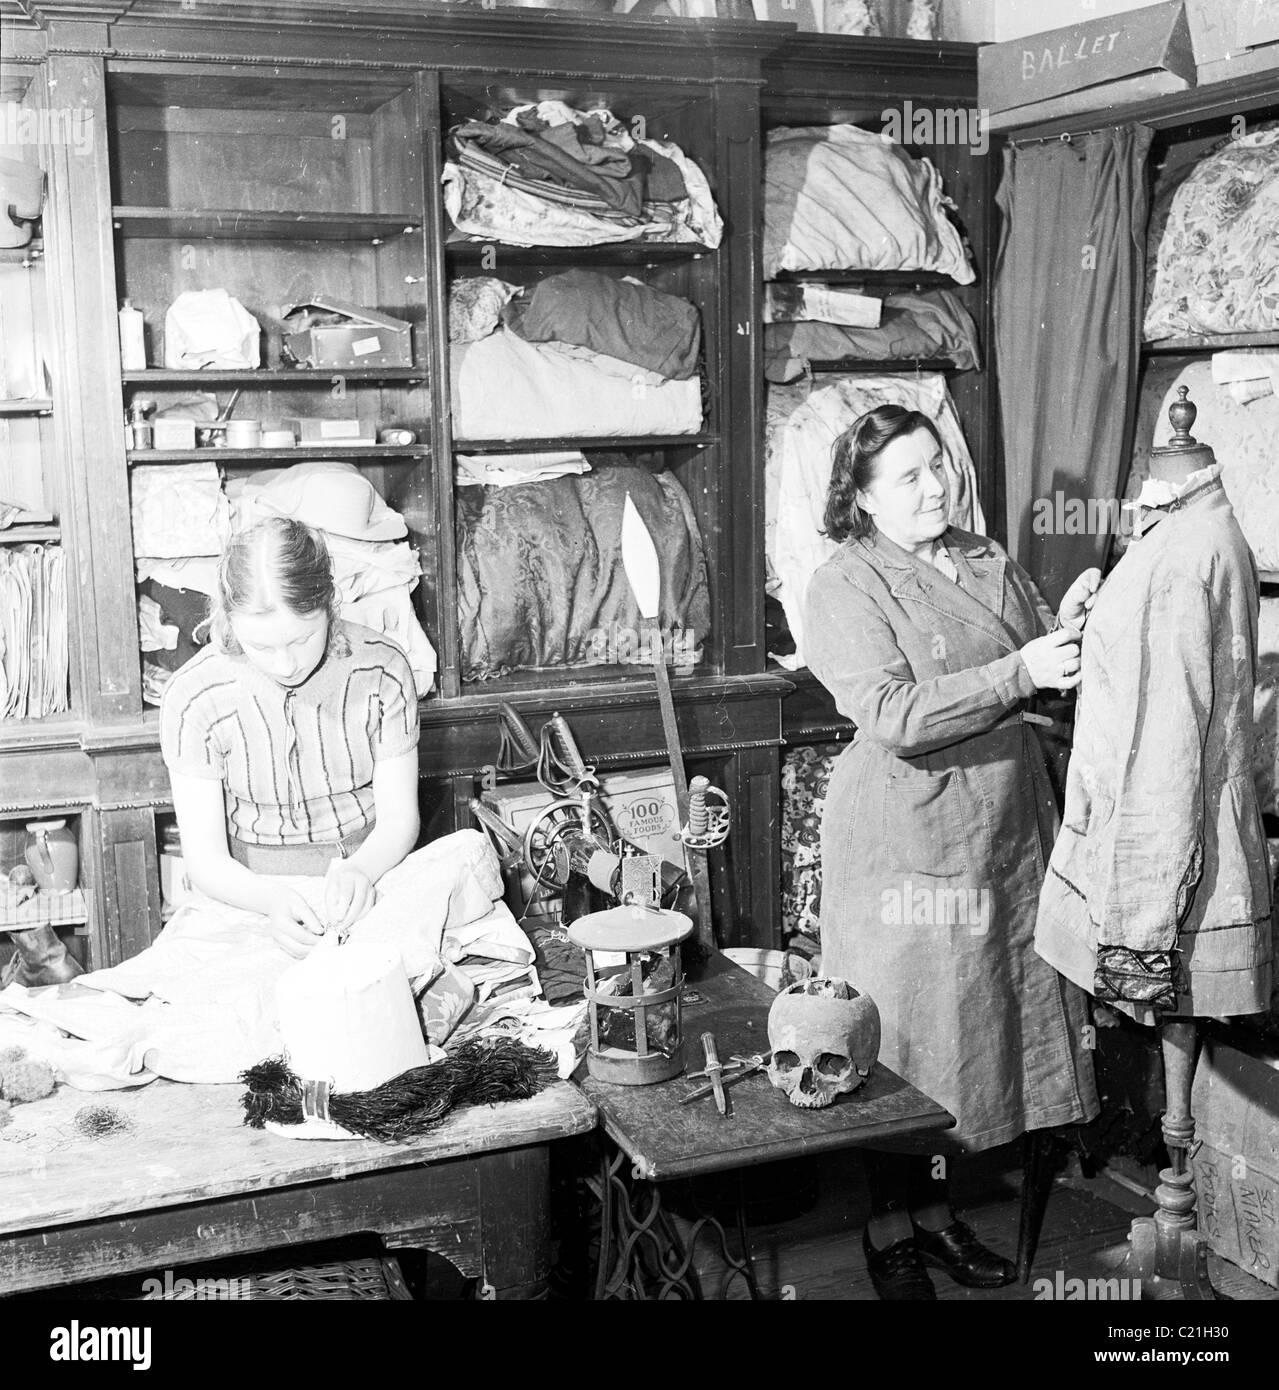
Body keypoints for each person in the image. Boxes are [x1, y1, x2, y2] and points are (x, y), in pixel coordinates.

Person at [803, 404, 1102, 1301]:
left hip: (1002, 831)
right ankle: (889, 1232)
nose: (934, 486)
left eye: (938, 465)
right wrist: (1022, 672)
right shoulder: (844, 585)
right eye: (907, 476)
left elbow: (1039, 659)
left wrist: (1073, 628)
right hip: (908, 838)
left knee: (981, 1036)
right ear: (859, 498)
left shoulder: (982, 556)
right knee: (907, 1043)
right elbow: (893, 716)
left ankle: (939, 1218)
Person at [159, 515, 421, 958]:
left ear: (330, 604)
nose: (285, 664)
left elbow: (399, 819)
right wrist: (270, 900)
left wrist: (360, 869)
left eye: (303, 639)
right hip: (248, 891)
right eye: (262, 646)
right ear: (228, 616)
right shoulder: (192, 697)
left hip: (375, 868)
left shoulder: (383, 670)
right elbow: (205, 861)